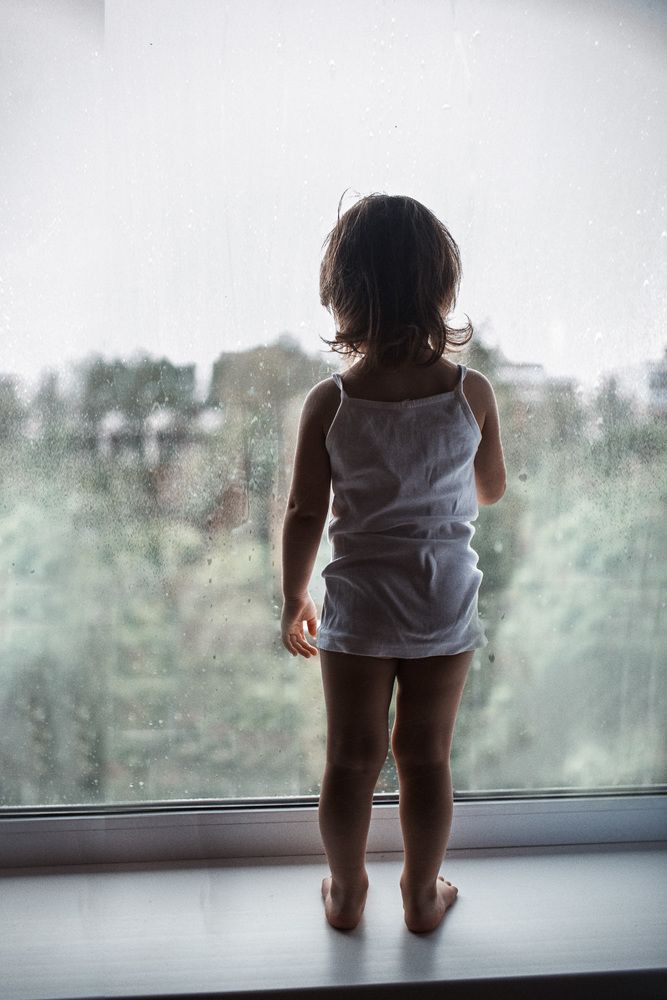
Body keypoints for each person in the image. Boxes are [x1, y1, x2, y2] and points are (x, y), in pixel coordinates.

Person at [280, 194, 506, 933]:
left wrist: (293, 597)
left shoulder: (332, 401)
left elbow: (304, 511)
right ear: (440, 287)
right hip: (443, 599)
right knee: (426, 757)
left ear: (343, 292)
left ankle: (347, 893)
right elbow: (491, 488)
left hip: (360, 603)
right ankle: (420, 895)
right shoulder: (470, 393)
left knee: (351, 758)